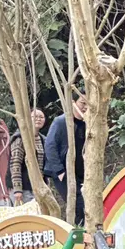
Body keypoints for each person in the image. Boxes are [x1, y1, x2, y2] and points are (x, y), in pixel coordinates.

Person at [43, 93, 87, 222]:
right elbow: (50, 146)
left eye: (88, 104)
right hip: (64, 172)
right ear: (73, 102)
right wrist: (59, 171)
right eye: (82, 103)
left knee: (86, 205)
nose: (85, 107)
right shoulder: (61, 121)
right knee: (78, 205)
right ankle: (77, 231)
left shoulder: (88, 123)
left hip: (82, 172)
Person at [8, 107, 46, 204]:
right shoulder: (20, 138)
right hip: (24, 187)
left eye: (41, 117)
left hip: (38, 187)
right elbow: (15, 163)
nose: (38, 119)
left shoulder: (43, 139)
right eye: (35, 116)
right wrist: (17, 189)